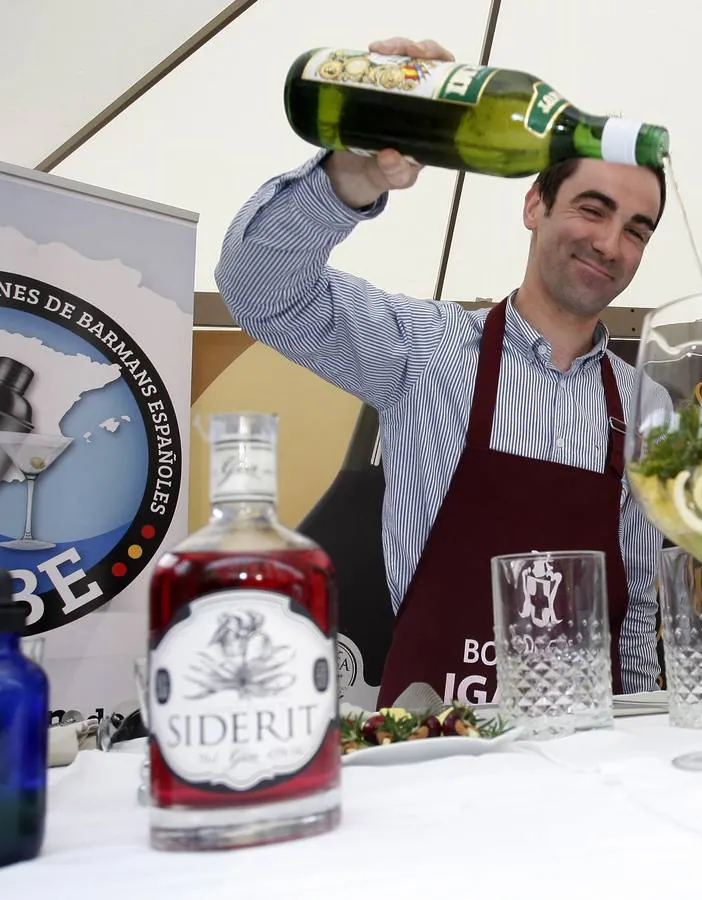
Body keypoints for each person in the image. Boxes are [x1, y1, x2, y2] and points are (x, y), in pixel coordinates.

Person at [215, 37, 668, 707]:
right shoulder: (425, 349)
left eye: (636, 229)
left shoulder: (645, 402)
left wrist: (640, 723)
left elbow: (632, 600)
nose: (610, 244)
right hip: (437, 739)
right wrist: (351, 177)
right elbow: (260, 289)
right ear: (535, 206)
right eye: (592, 209)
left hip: (590, 752)